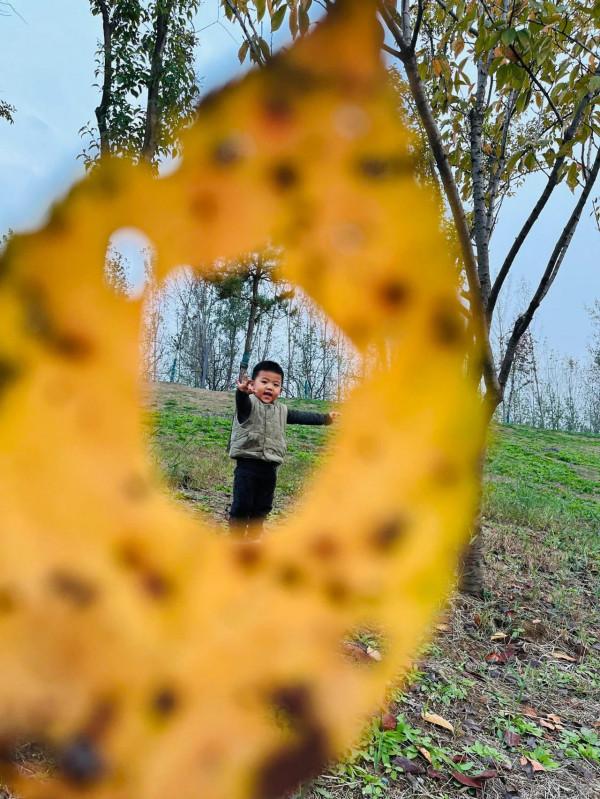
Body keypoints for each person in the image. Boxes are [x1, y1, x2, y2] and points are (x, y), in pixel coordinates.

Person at [228, 359, 339, 535]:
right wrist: (241, 393)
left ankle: (255, 537)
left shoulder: (282, 410)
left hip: (270, 467)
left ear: (280, 389)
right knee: (242, 505)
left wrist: (326, 418)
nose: (270, 387)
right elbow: (242, 404)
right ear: (253, 384)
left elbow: (303, 417)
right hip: (247, 465)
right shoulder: (249, 405)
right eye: (264, 382)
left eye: (275, 384)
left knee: (263, 506)